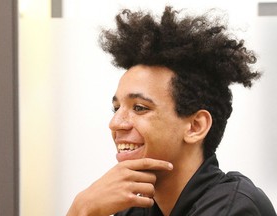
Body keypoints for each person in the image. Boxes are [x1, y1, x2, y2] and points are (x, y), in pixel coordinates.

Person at [67, 6, 276, 216]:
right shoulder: (135, 209)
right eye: (116, 108)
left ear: (196, 126)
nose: (115, 123)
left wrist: (82, 210)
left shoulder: (234, 207)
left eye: (139, 108)